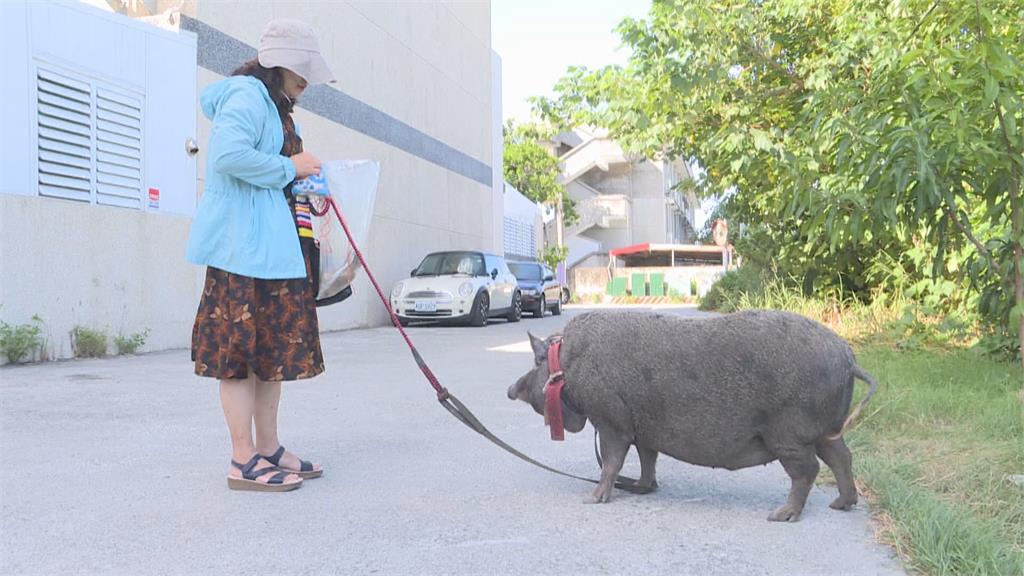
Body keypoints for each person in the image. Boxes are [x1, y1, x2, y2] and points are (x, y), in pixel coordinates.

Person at [186, 19, 335, 492]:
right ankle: (242, 458)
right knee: (239, 356)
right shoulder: (247, 96)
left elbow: (273, 173)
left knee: (272, 354)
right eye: (302, 69)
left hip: (275, 252)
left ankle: (267, 448)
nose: (308, 81)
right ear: (281, 64)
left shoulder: (280, 109)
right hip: (242, 253)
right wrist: (290, 166)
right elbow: (227, 157)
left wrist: (304, 183)